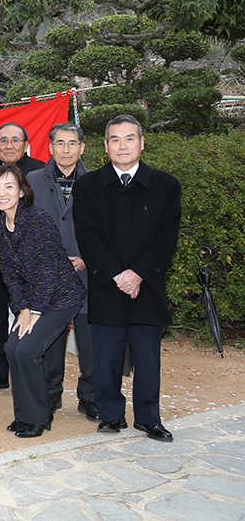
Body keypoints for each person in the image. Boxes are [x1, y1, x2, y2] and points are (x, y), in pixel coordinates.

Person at [74, 114, 181, 442]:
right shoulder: (88, 186)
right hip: (107, 284)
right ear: (105, 146)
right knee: (106, 357)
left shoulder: (165, 185)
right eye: (116, 139)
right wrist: (117, 274)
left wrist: (139, 274)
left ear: (142, 143)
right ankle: (111, 415)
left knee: (147, 359)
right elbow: (88, 236)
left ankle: (149, 418)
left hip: (146, 286)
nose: (123, 145)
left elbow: (167, 238)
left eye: (130, 138)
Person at [0, 164, 85, 438]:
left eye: (8, 186)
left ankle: (39, 417)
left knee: (27, 350)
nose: (1, 193)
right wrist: (21, 309)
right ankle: (25, 416)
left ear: (21, 192)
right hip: (34, 301)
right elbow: (9, 275)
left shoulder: (37, 219)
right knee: (12, 349)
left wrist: (35, 311)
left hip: (62, 298)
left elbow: (48, 271)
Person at [27, 122, 98, 422]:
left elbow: (106, 229)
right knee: (51, 341)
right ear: (50, 146)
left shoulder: (97, 182)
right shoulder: (32, 180)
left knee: (90, 340)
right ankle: (51, 393)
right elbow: (26, 227)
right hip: (48, 276)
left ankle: (90, 396)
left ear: (82, 148)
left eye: (72, 144)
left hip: (86, 273)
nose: (66, 150)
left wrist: (86, 257)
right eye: (60, 143)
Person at [0, 122, 46, 392]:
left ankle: (29, 371)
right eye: (2, 140)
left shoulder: (39, 172)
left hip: (30, 260)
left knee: (30, 316)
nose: (8, 145)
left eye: (15, 140)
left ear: (26, 144)